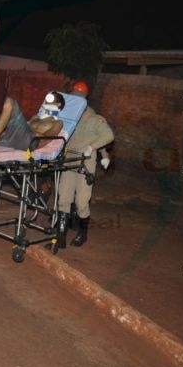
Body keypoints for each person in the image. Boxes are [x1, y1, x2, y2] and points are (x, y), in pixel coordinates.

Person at [56, 80, 114, 248]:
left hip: (85, 162)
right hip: (69, 160)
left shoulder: (94, 118)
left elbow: (107, 136)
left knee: (81, 201)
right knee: (64, 198)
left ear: (84, 100)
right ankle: (60, 234)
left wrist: (95, 149)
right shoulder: (68, 116)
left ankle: (83, 233)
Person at [0, 91, 66, 151]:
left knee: (10, 102)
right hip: (11, 138)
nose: (47, 100)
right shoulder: (35, 117)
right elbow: (20, 129)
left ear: (59, 104)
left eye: (51, 98)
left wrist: (33, 138)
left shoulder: (57, 122)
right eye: (47, 98)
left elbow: (47, 138)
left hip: (29, 142)